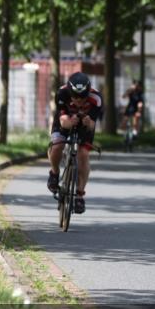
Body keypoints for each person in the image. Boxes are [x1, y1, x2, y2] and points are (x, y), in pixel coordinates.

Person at [47, 71, 103, 214]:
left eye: (82, 98)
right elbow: (62, 121)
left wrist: (88, 122)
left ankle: (79, 194)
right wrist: (70, 122)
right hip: (66, 120)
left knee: (83, 154)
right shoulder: (62, 93)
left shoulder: (96, 98)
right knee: (57, 146)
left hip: (84, 125)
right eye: (75, 97)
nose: (78, 100)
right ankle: (54, 173)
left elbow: (92, 125)